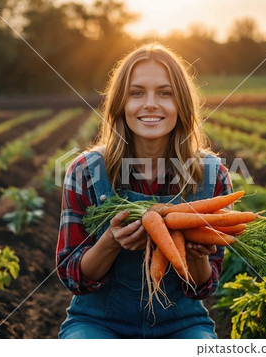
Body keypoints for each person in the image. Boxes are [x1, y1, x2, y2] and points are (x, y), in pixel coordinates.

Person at [56, 43, 233, 339]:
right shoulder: (85, 171)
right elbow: (71, 275)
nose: (150, 103)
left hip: (183, 325)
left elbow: (204, 287)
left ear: (181, 104)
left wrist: (197, 256)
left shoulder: (213, 175)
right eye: (137, 93)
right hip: (97, 323)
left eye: (165, 93)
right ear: (121, 104)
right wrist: (111, 242)